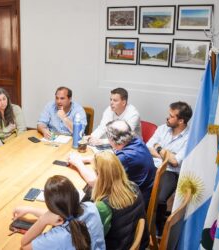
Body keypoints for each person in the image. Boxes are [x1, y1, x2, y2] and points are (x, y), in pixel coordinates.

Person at [68, 151, 149, 250]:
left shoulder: (104, 207)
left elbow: (90, 237)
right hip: (131, 242)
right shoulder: (133, 187)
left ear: (99, 176)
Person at [13, 175, 105, 250]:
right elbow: (65, 215)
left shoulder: (56, 237)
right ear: (75, 193)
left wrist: (42, 220)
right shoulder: (91, 207)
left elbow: (25, 245)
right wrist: (30, 210)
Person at [146, 101, 192, 236]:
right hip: (152, 164)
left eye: (171, 116)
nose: (167, 118)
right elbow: (148, 147)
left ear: (181, 120)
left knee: (160, 199)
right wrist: (167, 153)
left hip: (171, 172)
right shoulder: (162, 128)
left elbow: (175, 162)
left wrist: (159, 147)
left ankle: (158, 228)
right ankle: (140, 221)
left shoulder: (189, 138)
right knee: (138, 187)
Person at [0, 88, 27, 153]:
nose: (2, 102)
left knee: (23, 150)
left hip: (12, 138)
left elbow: (22, 128)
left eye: (4, 99)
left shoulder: (16, 109)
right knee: (0, 155)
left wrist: (17, 143)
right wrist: (4, 148)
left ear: (7, 99)